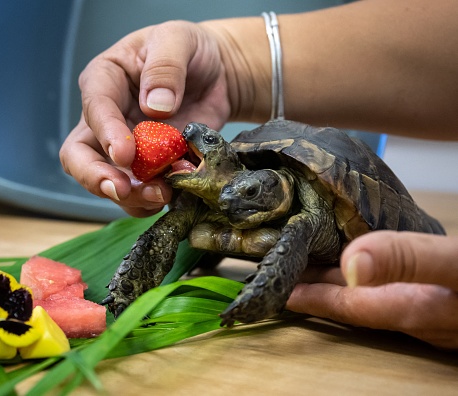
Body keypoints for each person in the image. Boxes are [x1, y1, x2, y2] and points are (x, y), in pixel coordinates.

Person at [59, 0, 458, 350]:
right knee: (169, 225)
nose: (232, 199)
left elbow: (297, 235)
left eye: (249, 194)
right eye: (233, 191)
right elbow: (172, 225)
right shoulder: (226, 188)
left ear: (280, 189)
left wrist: (263, 294)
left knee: (298, 229)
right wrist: (228, 63)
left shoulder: (306, 215)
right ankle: (123, 295)